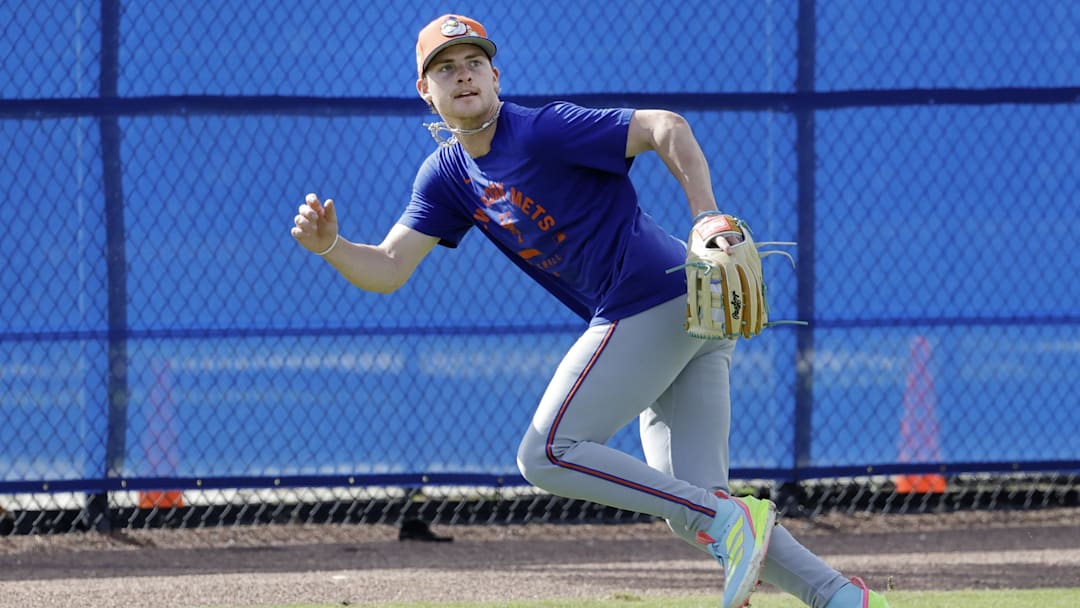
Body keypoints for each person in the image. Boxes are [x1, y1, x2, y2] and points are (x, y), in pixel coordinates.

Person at [291, 14, 890, 608]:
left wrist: (706, 213)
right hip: (676, 321)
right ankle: (844, 600)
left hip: (653, 300)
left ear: (496, 75)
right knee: (696, 511)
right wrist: (332, 248)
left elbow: (664, 125)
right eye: (445, 68)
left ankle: (729, 520)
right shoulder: (448, 175)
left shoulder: (540, 131)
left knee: (547, 452)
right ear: (426, 90)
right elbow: (390, 267)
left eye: (474, 62)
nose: (463, 75)